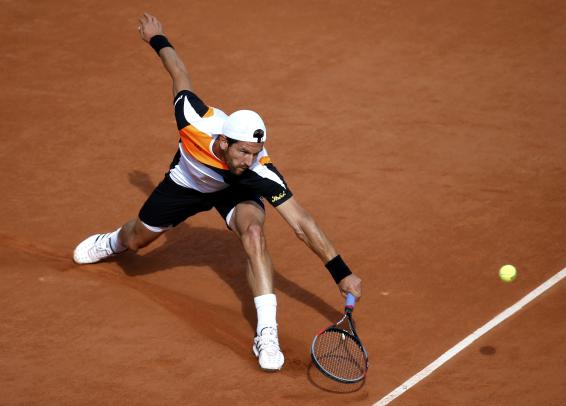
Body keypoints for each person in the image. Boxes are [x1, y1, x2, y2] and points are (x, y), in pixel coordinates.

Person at [73, 13, 362, 372]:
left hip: (234, 192)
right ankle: (114, 241)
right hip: (187, 182)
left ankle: (267, 332)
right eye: (243, 151)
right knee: (136, 241)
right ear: (223, 141)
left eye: (256, 153)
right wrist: (157, 39)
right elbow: (179, 73)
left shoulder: (257, 171)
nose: (249, 158)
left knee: (255, 233)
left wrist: (341, 272)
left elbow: (301, 222)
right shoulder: (194, 120)